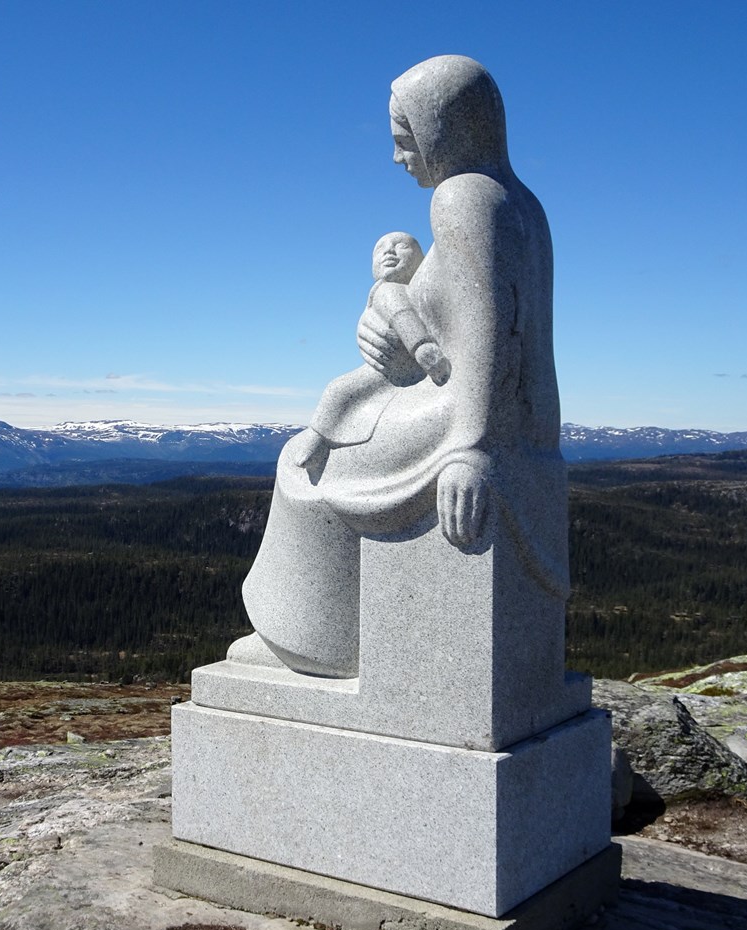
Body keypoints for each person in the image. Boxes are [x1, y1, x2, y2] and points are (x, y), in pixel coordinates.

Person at [232, 55, 568, 679]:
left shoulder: (460, 197)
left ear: (445, 128)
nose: (397, 156)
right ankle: (317, 631)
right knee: (336, 410)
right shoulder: (525, 205)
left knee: (304, 466)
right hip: (504, 412)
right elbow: (497, 331)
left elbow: (489, 333)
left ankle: (315, 643)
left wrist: (470, 451)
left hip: (464, 413)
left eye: (405, 137)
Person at [292, 231, 448, 480]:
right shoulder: (381, 290)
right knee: (338, 389)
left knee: (339, 389)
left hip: (416, 366)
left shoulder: (394, 292)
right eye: (380, 249)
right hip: (384, 371)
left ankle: (318, 440)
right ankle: (318, 438)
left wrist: (422, 348)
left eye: (401, 246)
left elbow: (403, 317)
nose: (389, 251)